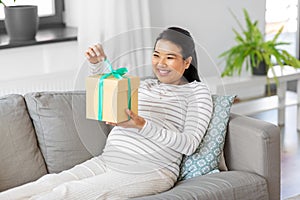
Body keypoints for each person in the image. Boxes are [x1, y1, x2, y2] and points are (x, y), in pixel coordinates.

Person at [0, 27, 213, 200]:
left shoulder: (196, 92)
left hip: (149, 169)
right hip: (108, 160)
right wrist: (98, 64)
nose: (160, 63)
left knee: (63, 194)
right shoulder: (146, 86)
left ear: (187, 62)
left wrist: (142, 125)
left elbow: (189, 144)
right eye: (156, 55)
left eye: (170, 57)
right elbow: (109, 93)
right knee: (48, 183)